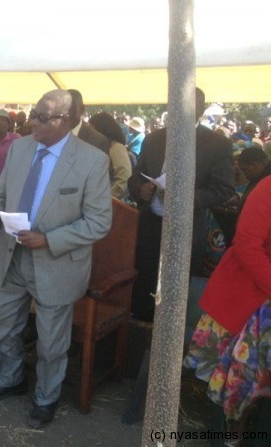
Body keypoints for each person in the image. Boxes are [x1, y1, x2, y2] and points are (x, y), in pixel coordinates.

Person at [0, 89, 112, 429]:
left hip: (57, 264)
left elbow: (99, 222)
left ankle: (46, 397)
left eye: (41, 117)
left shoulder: (92, 160)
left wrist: (50, 240)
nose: (31, 121)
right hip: (13, 255)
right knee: (2, 326)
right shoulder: (20, 148)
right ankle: (10, 378)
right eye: (33, 114)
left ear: (65, 120)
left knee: (52, 342)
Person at [127, 88, 234, 321]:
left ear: (201, 110)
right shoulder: (154, 139)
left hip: (186, 230)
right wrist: (140, 189)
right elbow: (136, 176)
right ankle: (140, 339)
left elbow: (224, 188)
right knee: (144, 285)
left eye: (187, 106)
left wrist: (185, 199)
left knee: (175, 295)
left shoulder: (217, 144)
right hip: (151, 226)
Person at [183, 175, 271, 440]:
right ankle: (229, 434)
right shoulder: (268, 188)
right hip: (245, 298)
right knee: (238, 382)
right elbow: (247, 246)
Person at [88, 111, 132, 199]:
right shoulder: (98, 147)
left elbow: (124, 178)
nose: (90, 133)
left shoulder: (116, 148)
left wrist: (107, 198)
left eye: (92, 130)